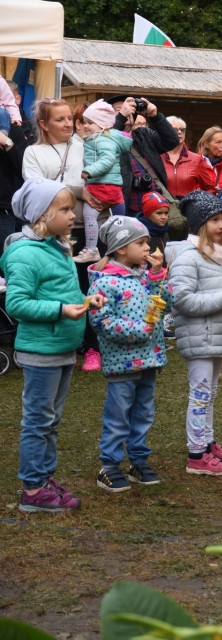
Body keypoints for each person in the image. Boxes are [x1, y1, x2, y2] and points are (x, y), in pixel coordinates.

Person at [0, 178, 106, 512]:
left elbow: (62, 293)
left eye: (72, 208)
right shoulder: (25, 255)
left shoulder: (57, 247)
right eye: (64, 209)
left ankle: (44, 479)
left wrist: (86, 301)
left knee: (51, 420)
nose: (73, 215)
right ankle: (33, 489)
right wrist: (61, 310)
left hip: (62, 347)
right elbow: (17, 304)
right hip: (41, 352)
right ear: (41, 215)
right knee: (38, 421)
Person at [167, 190, 222, 476]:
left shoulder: (218, 255)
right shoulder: (187, 258)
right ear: (200, 224)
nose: (221, 225)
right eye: (214, 220)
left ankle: (207, 442)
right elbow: (181, 300)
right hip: (198, 336)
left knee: (210, 393)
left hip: (215, 334)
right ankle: (196, 454)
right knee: (201, 394)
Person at [87, 216, 174, 492]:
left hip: (149, 359)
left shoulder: (146, 276)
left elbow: (168, 303)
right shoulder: (104, 282)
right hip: (122, 363)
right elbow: (101, 321)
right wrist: (138, 330)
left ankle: (138, 460)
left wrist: (159, 276)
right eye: (142, 242)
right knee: (118, 415)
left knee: (144, 413)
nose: (148, 247)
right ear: (122, 248)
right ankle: (109, 466)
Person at [23, 98, 106, 372]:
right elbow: (38, 190)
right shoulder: (33, 153)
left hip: (88, 230)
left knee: (89, 287)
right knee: (59, 288)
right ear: (44, 124)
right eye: (59, 119)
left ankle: (92, 347)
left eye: (69, 118)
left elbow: (101, 176)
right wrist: (79, 190)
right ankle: (63, 341)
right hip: (51, 232)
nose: (68, 123)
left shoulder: (84, 145)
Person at [76, 100, 133, 263]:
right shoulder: (108, 138)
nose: (86, 126)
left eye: (90, 123)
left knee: (89, 215)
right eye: (85, 122)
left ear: (102, 124)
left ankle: (92, 249)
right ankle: (120, 249)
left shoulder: (101, 140)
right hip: (115, 188)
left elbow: (107, 160)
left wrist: (89, 171)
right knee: (116, 221)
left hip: (101, 185)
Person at [106, 96, 179, 217]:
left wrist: (156, 117)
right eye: (119, 109)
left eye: (130, 108)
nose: (127, 111)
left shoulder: (144, 135)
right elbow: (107, 143)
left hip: (156, 209)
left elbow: (172, 141)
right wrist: (121, 117)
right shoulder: (103, 139)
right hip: (127, 209)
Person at [0, 80, 33, 253]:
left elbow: (23, 169)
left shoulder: (14, 129)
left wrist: (6, 142)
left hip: (4, 208)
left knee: (7, 259)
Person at [161, 116, 216, 199]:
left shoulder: (196, 159)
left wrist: (199, 202)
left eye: (182, 130)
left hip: (188, 206)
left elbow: (210, 189)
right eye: (175, 130)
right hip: (163, 206)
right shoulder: (157, 157)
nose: (179, 132)